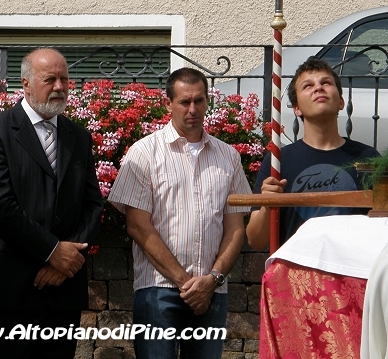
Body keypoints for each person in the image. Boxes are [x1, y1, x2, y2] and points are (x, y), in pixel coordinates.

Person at [108, 67, 251, 359]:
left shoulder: (228, 157)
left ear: (208, 101)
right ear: (168, 103)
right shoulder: (144, 153)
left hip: (212, 291)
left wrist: (212, 280)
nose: (193, 109)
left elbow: (236, 227)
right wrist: (187, 283)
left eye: (199, 100)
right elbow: (137, 227)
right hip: (158, 289)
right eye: (185, 101)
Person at [0, 48, 102, 359]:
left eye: (65, 79)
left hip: (62, 291)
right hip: (10, 288)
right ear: (26, 84)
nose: (59, 87)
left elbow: (92, 205)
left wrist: (66, 262)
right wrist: (53, 251)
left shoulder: (78, 137)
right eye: (50, 79)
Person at [246, 56, 379, 250]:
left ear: (341, 102)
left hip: (350, 272)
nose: (318, 88)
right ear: (297, 108)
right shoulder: (279, 161)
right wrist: (268, 204)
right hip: (296, 273)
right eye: (308, 86)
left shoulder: (368, 157)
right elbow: (255, 240)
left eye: (326, 82)